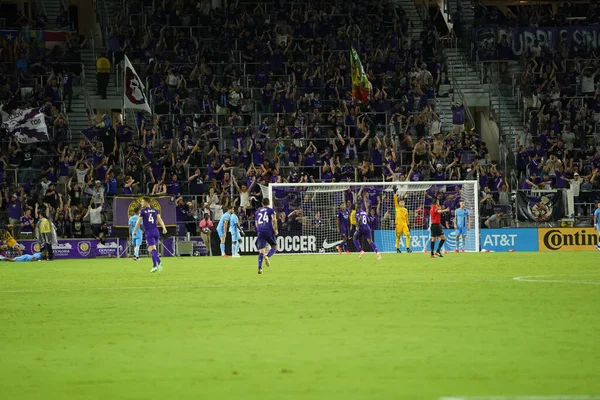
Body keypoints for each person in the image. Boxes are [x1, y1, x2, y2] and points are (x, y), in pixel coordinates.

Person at [133, 197, 167, 273]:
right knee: (152, 249)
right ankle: (154, 266)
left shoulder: (143, 211)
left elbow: (138, 222)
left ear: (147, 202)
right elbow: (160, 219)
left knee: (152, 249)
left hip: (149, 232)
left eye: (142, 202)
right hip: (156, 231)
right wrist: (164, 228)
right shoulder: (155, 211)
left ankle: (159, 262)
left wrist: (134, 231)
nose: (141, 203)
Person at [255, 198, 278, 275]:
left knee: (261, 252)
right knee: (274, 247)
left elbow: (256, 223)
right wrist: (275, 229)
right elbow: (274, 220)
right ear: (269, 203)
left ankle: (260, 268)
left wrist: (259, 231)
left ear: (262, 203)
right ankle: (267, 256)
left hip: (260, 231)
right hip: (268, 230)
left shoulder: (257, 211)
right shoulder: (271, 210)